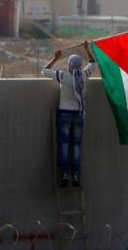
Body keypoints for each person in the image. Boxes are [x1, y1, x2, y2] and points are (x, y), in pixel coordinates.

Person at [42, 42, 95, 188]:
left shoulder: (63, 76)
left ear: (70, 65)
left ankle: (65, 174)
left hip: (65, 115)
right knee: (76, 146)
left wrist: (55, 58)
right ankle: (76, 175)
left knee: (65, 146)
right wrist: (86, 49)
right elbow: (92, 63)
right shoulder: (84, 76)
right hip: (78, 116)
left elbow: (44, 71)